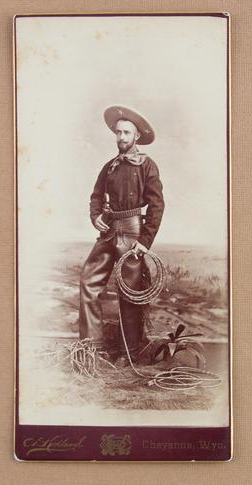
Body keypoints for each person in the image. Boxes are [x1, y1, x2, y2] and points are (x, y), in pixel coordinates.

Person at [79, 105, 165, 366]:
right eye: (118, 133)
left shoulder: (147, 165)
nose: (121, 138)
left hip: (132, 232)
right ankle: (91, 349)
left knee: (128, 293)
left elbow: (157, 205)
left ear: (136, 136)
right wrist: (96, 217)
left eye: (126, 133)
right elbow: (96, 196)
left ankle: (129, 355)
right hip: (108, 232)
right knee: (88, 282)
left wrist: (144, 242)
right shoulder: (109, 167)